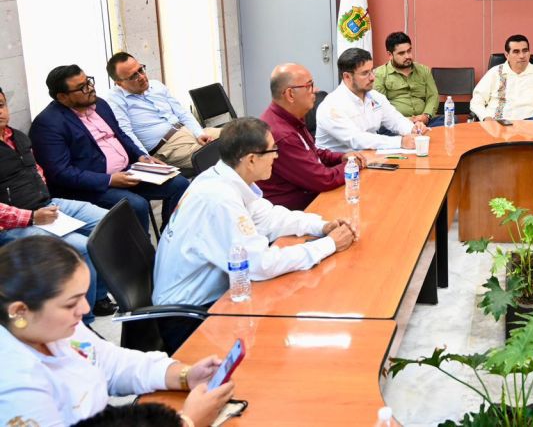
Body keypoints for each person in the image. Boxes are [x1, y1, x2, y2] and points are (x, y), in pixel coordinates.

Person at [153, 117, 356, 350]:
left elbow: (268, 217)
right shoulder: (219, 199)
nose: (277, 156)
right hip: (190, 318)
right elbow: (260, 265)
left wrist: (321, 226)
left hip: (217, 297)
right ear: (251, 160)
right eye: (272, 150)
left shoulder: (225, 177)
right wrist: (328, 245)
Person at [0, 236, 234, 427]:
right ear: (20, 311)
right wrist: (188, 421)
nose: (85, 309)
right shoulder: (14, 385)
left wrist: (182, 375)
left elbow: (111, 363)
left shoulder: (53, 329)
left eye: (83, 296)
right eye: (71, 303)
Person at [29, 65, 189, 235]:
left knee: (179, 184)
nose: (90, 88)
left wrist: (141, 156)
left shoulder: (100, 104)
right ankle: (140, 249)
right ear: (62, 97)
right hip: (92, 186)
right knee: (136, 205)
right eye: (82, 87)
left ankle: (169, 237)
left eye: (89, 82)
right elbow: (61, 173)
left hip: (128, 171)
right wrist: (109, 180)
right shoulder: (48, 124)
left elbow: (120, 135)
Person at [0, 85, 112, 320]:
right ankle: (83, 320)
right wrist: (32, 217)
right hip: (13, 224)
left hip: (45, 203)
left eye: (1, 105)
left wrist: (43, 203)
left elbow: (36, 170)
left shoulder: (17, 137)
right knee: (80, 248)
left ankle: (99, 297)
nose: (0, 112)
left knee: (108, 223)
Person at [258, 63, 365, 210]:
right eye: (309, 85)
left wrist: (341, 157)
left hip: (312, 196)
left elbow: (311, 153)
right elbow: (323, 180)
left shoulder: (291, 118)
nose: (315, 90)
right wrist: (352, 165)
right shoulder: (282, 135)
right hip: (299, 209)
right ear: (290, 94)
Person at [105, 52, 220, 171]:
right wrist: (146, 158)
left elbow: (182, 112)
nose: (142, 77)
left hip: (188, 131)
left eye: (141, 70)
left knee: (232, 135)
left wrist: (199, 133)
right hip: (168, 148)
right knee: (221, 155)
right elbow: (126, 133)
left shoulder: (156, 85)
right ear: (119, 83)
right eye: (133, 76)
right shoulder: (115, 100)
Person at [317, 48, 425, 153]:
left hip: (370, 155)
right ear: (347, 77)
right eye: (365, 73)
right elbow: (357, 139)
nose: (372, 77)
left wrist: (412, 128)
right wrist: (400, 142)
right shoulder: (331, 105)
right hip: (339, 162)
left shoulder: (375, 96)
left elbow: (395, 119)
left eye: (372, 71)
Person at [470, 34, 533, 121]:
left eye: (525, 51)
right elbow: (477, 100)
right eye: (516, 52)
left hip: (528, 124)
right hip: (496, 123)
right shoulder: (494, 72)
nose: (522, 56)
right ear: (507, 55)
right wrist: (486, 117)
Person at [373, 32, 441, 127]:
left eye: (409, 51)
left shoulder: (424, 70)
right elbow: (380, 105)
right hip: (396, 124)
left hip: (425, 121)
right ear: (390, 54)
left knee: (452, 121)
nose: (408, 56)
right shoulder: (379, 74)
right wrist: (403, 120)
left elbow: (433, 96)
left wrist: (426, 116)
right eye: (401, 53)